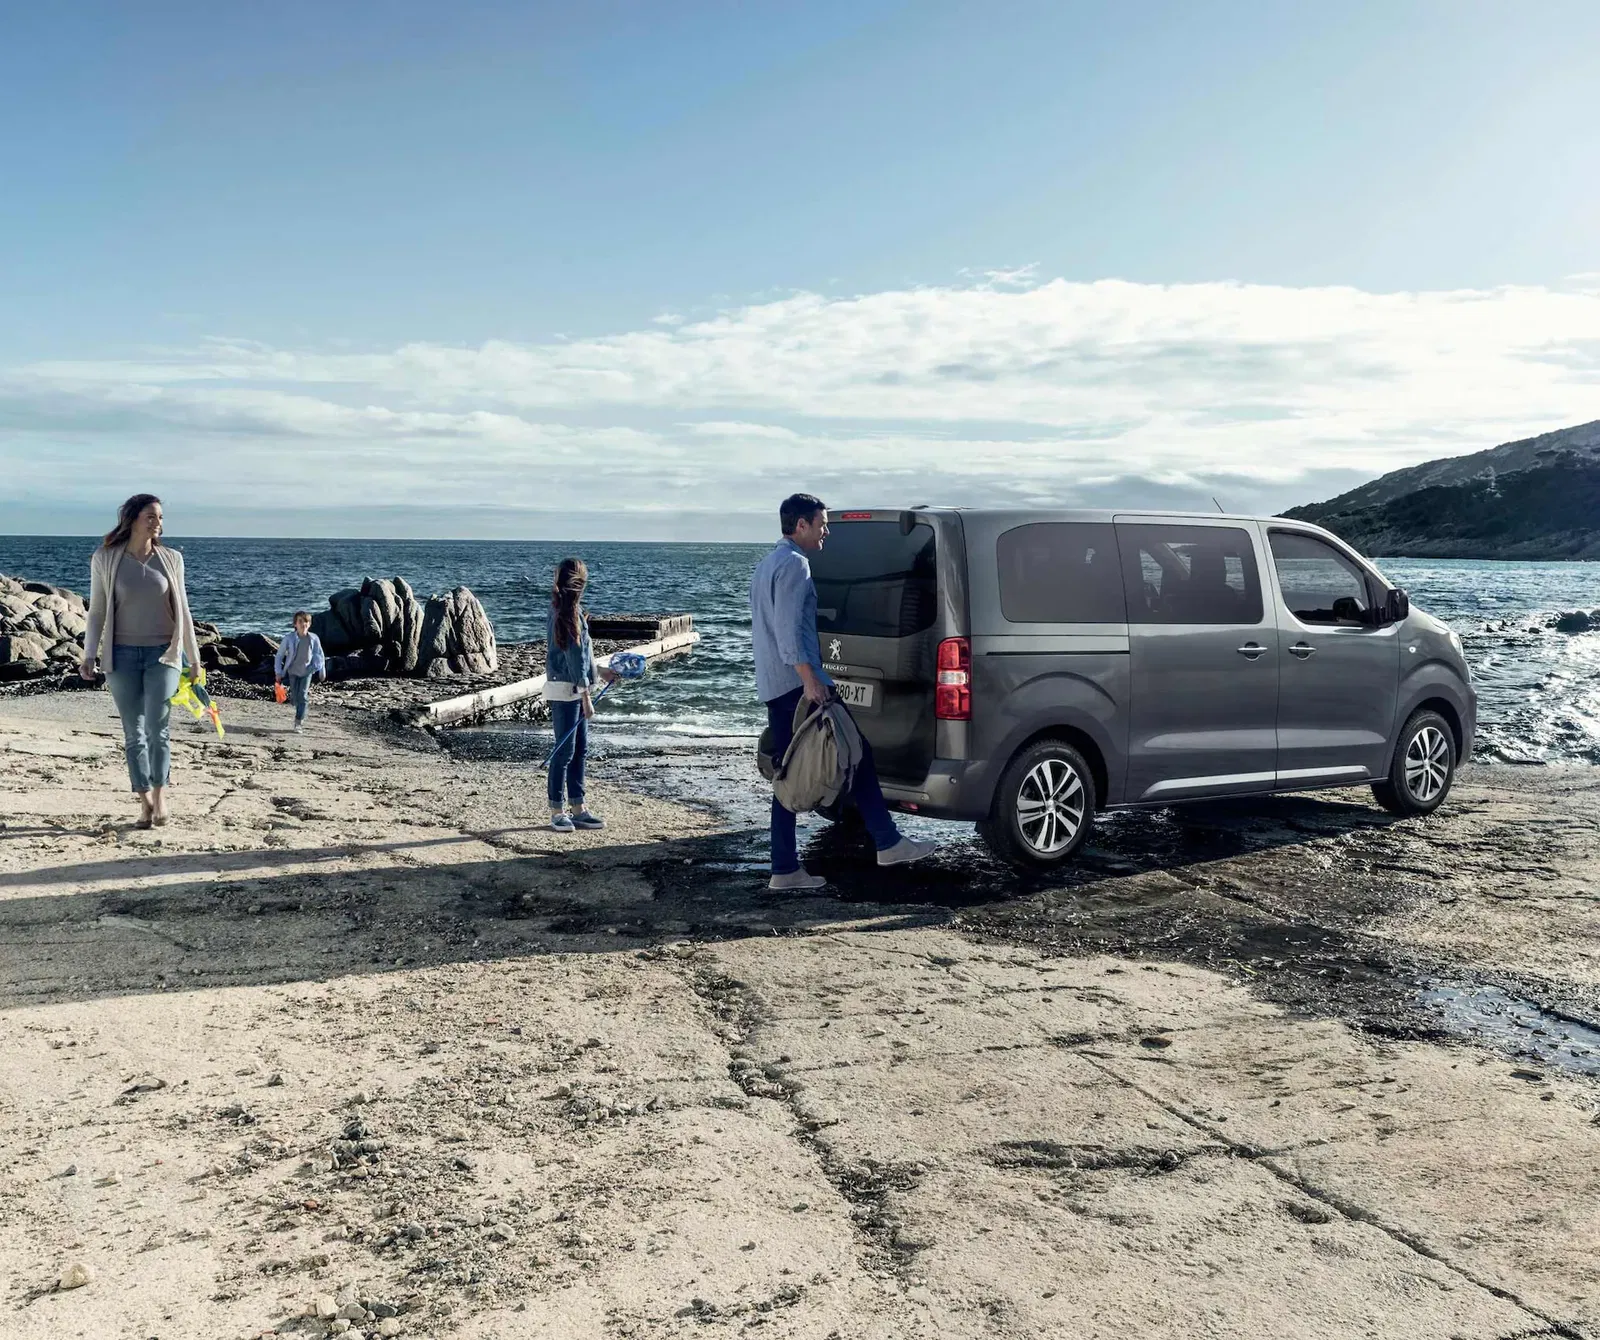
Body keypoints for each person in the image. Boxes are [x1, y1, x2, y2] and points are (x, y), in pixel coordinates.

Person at [750, 493, 936, 890]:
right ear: (801, 525)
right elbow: (787, 631)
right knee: (855, 752)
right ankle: (886, 843)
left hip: (774, 684)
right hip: (799, 686)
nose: (826, 531)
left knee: (788, 773)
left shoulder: (767, 564)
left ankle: (785, 868)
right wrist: (810, 680)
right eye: (822, 523)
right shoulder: (795, 565)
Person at [80, 494, 204, 829]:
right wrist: (89, 654)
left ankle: (161, 798)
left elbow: (185, 612)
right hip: (120, 656)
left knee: (157, 730)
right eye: (151, 516)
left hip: (163, 654)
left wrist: (194, 658)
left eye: (160, 517)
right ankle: (144, 801)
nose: (158, 523)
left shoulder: (171, 559)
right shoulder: (106, 558)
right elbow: (97, 612)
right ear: (133, 518)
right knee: (133, 733)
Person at [545, 558, 619, 833]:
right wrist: (587, 696)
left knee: (579, 751)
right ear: (580, 584)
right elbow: (573, 659)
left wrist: (601, 671)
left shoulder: (567, 611)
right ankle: (557, 810)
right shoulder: (566, 615)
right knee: (564, 752)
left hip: (574, 687)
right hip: (568, 692)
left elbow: (578, 658)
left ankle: (578, 807)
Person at [273, 611, 327, 733]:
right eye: (300, 621)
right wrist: (278, 672)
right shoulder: (289, 638)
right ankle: (297, 706)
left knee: (303, 696)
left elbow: (320, 654)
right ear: (295, 624)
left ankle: (298, 722)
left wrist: (322, 671)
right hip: (292, 671)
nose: (304, 624)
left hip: (307, 671)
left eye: (306, 622)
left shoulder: (313, 638)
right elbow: (280, 655)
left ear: (309, 624)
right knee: (295, 699)